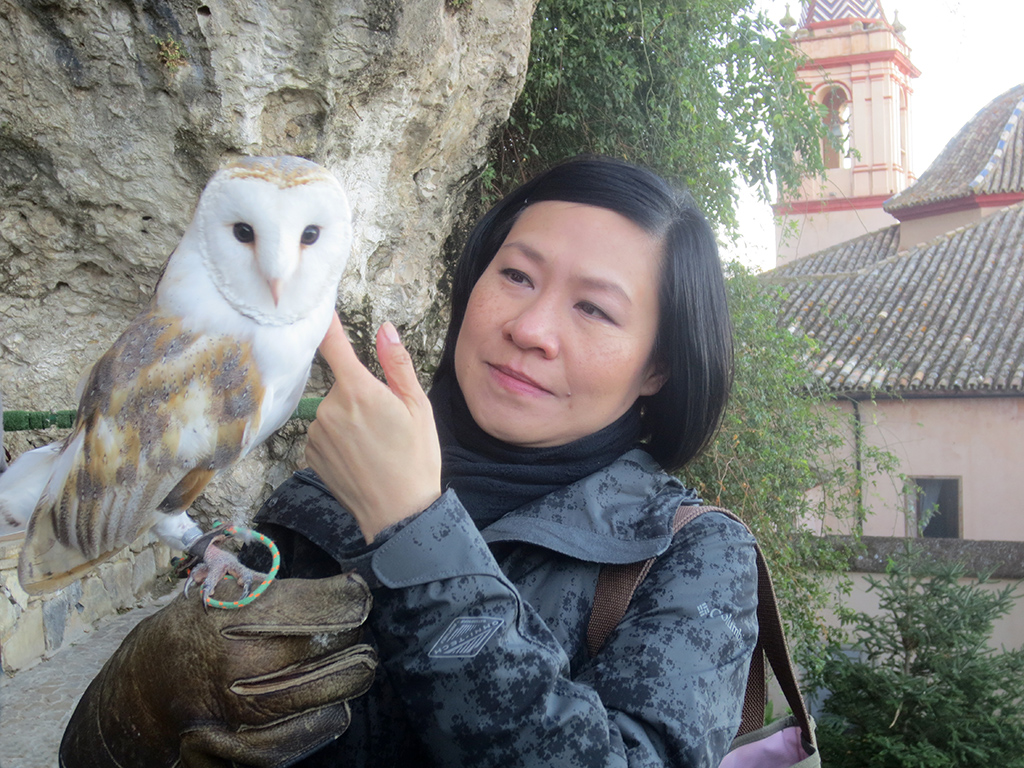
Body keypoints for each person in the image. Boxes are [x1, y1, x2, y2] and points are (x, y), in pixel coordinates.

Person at [60, 156, 758, 767]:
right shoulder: (326, 491)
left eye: (595, 310)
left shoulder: (688, 554)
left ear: (659, 366)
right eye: (515, 275)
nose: (530, 328)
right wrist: (144, 704)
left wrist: (415, 532)